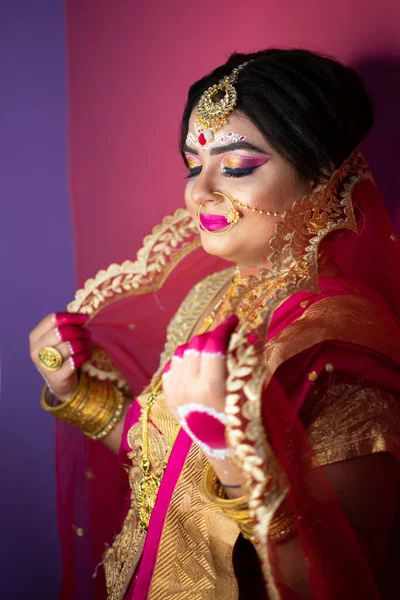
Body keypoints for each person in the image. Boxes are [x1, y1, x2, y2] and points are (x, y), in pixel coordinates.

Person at [30, 48, 400, 600]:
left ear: (326, 177)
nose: (199, 192)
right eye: (192, 165)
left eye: (237, 166)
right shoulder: (213, 296)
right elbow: (160, 466)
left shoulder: (339, 349)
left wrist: (232, 454)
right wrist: (76, 391)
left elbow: (344, 581)